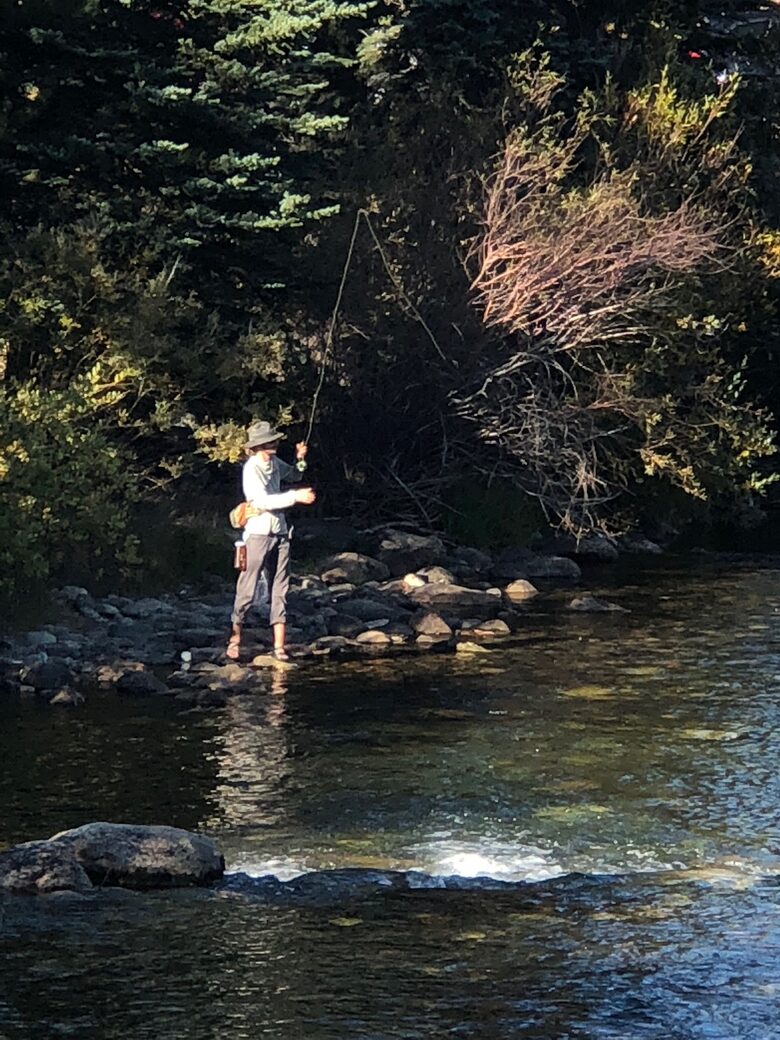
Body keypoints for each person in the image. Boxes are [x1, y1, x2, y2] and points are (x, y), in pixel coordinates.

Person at [226, 420, 316, 661]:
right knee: (248, 586)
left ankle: (279, 646)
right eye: (269, 442)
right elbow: (261, 501)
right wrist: (295, 497)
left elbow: (296, 474)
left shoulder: (276, 463)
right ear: (257, 447)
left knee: (280, 588)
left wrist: (300, 457)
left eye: (273, 441)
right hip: (257, 534)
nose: (274, 445)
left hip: (281, 533)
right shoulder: (251, 469)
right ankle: (235, 638)